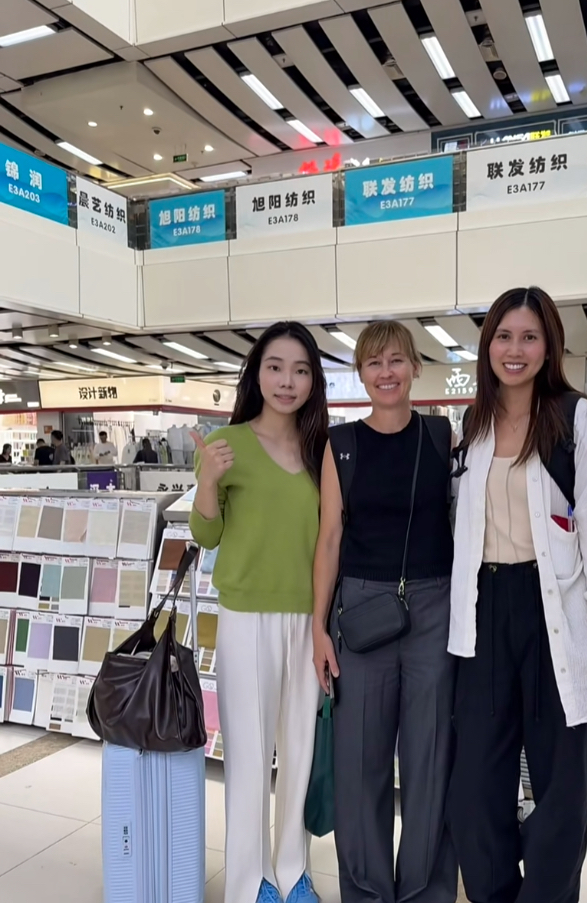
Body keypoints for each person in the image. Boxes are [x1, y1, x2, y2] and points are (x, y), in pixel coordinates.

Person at [448, 286, 587, 903]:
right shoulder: (472, 424)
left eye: (529, 336)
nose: (515, 349)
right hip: (483, 616)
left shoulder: (575, 418)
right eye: (504, 336)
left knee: (560, 789)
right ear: (487, 345)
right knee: (476, 786)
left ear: (549, 345)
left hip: (556, 615)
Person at [312, 321, 458, 903]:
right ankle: (368, 892)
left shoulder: (441, 436)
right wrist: (318, 629)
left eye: (396, 360)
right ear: (361, 373)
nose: (386, 372)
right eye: (374, 363)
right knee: (360, 767)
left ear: (415, 367)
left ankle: (425, 892)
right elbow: (328, 541)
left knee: (429, 763)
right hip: (362, 614)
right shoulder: (341, 444)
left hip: (434, 609)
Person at [189, 321, 328, 903]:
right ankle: (250, 884)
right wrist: (207, 483)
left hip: (308, 619)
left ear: (313, 380)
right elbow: (205, 535)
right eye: (275, 367)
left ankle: (294, 872)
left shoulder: (323, 449)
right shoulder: (230, 444)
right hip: (246, 618)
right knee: (248, 754)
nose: (287, 381)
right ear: (257, 373)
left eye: (300, 370)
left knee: (300, 751)